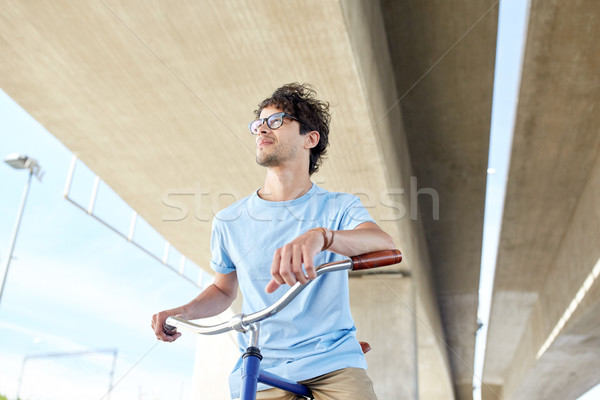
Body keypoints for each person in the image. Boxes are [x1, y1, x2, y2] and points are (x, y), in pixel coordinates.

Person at [152, 83, 395, 400]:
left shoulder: (339, 207)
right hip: (264, 364)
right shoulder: (229, 221)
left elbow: (382, 243)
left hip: (332, 361)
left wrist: (322, 237)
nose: (262, 129)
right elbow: (225, 289)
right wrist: (184, 311)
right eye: (258, 123)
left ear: (310, 138)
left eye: (277, 120)